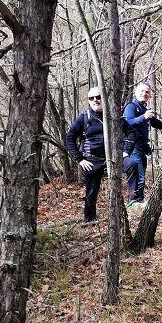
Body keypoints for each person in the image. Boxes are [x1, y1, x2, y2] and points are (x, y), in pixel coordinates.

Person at [122, 82, 162, 206]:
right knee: (139, 175)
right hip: (133, 146)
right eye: (142, 91)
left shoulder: (145, 110)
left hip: (142, 147)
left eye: (147, 92)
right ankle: (134, 202)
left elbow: (161, 125)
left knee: (141, 175)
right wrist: (144, 117)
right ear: (136, 93)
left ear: (150, 95)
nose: (144, 94)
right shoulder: (131, 106)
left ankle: (138, 200)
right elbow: (129, 122)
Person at [65, 87, 107, 223]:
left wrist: (126, 150)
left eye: (98, 97)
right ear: (88, 101)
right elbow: (70, 138)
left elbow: (128, 131)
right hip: (91, 161)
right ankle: (90, 220)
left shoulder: (111, 115)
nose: (95, 100)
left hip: (112, 159)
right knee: (91, 192)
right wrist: (80, 159)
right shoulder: (83, 118)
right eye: (91, 98)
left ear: (104, 98)